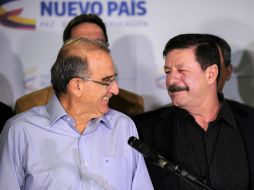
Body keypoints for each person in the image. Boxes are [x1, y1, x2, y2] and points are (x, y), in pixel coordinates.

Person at [0, 37, 153, 190]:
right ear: (77, 86)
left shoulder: (123, 127)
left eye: (114, 79)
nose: (115, 90)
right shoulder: (20, 131)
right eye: (107, 81)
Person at [132, 34, 254, 190]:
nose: (171, 80)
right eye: (168, 71)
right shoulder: (143, 129)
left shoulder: (249, 123)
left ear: (211, 73)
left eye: (182, 71)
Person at [14, 14, 144, 116]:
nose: (92, 51)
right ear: (65, 53)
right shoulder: (28, 106)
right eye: (82, 43)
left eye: (100, 44)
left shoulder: (131, 105)